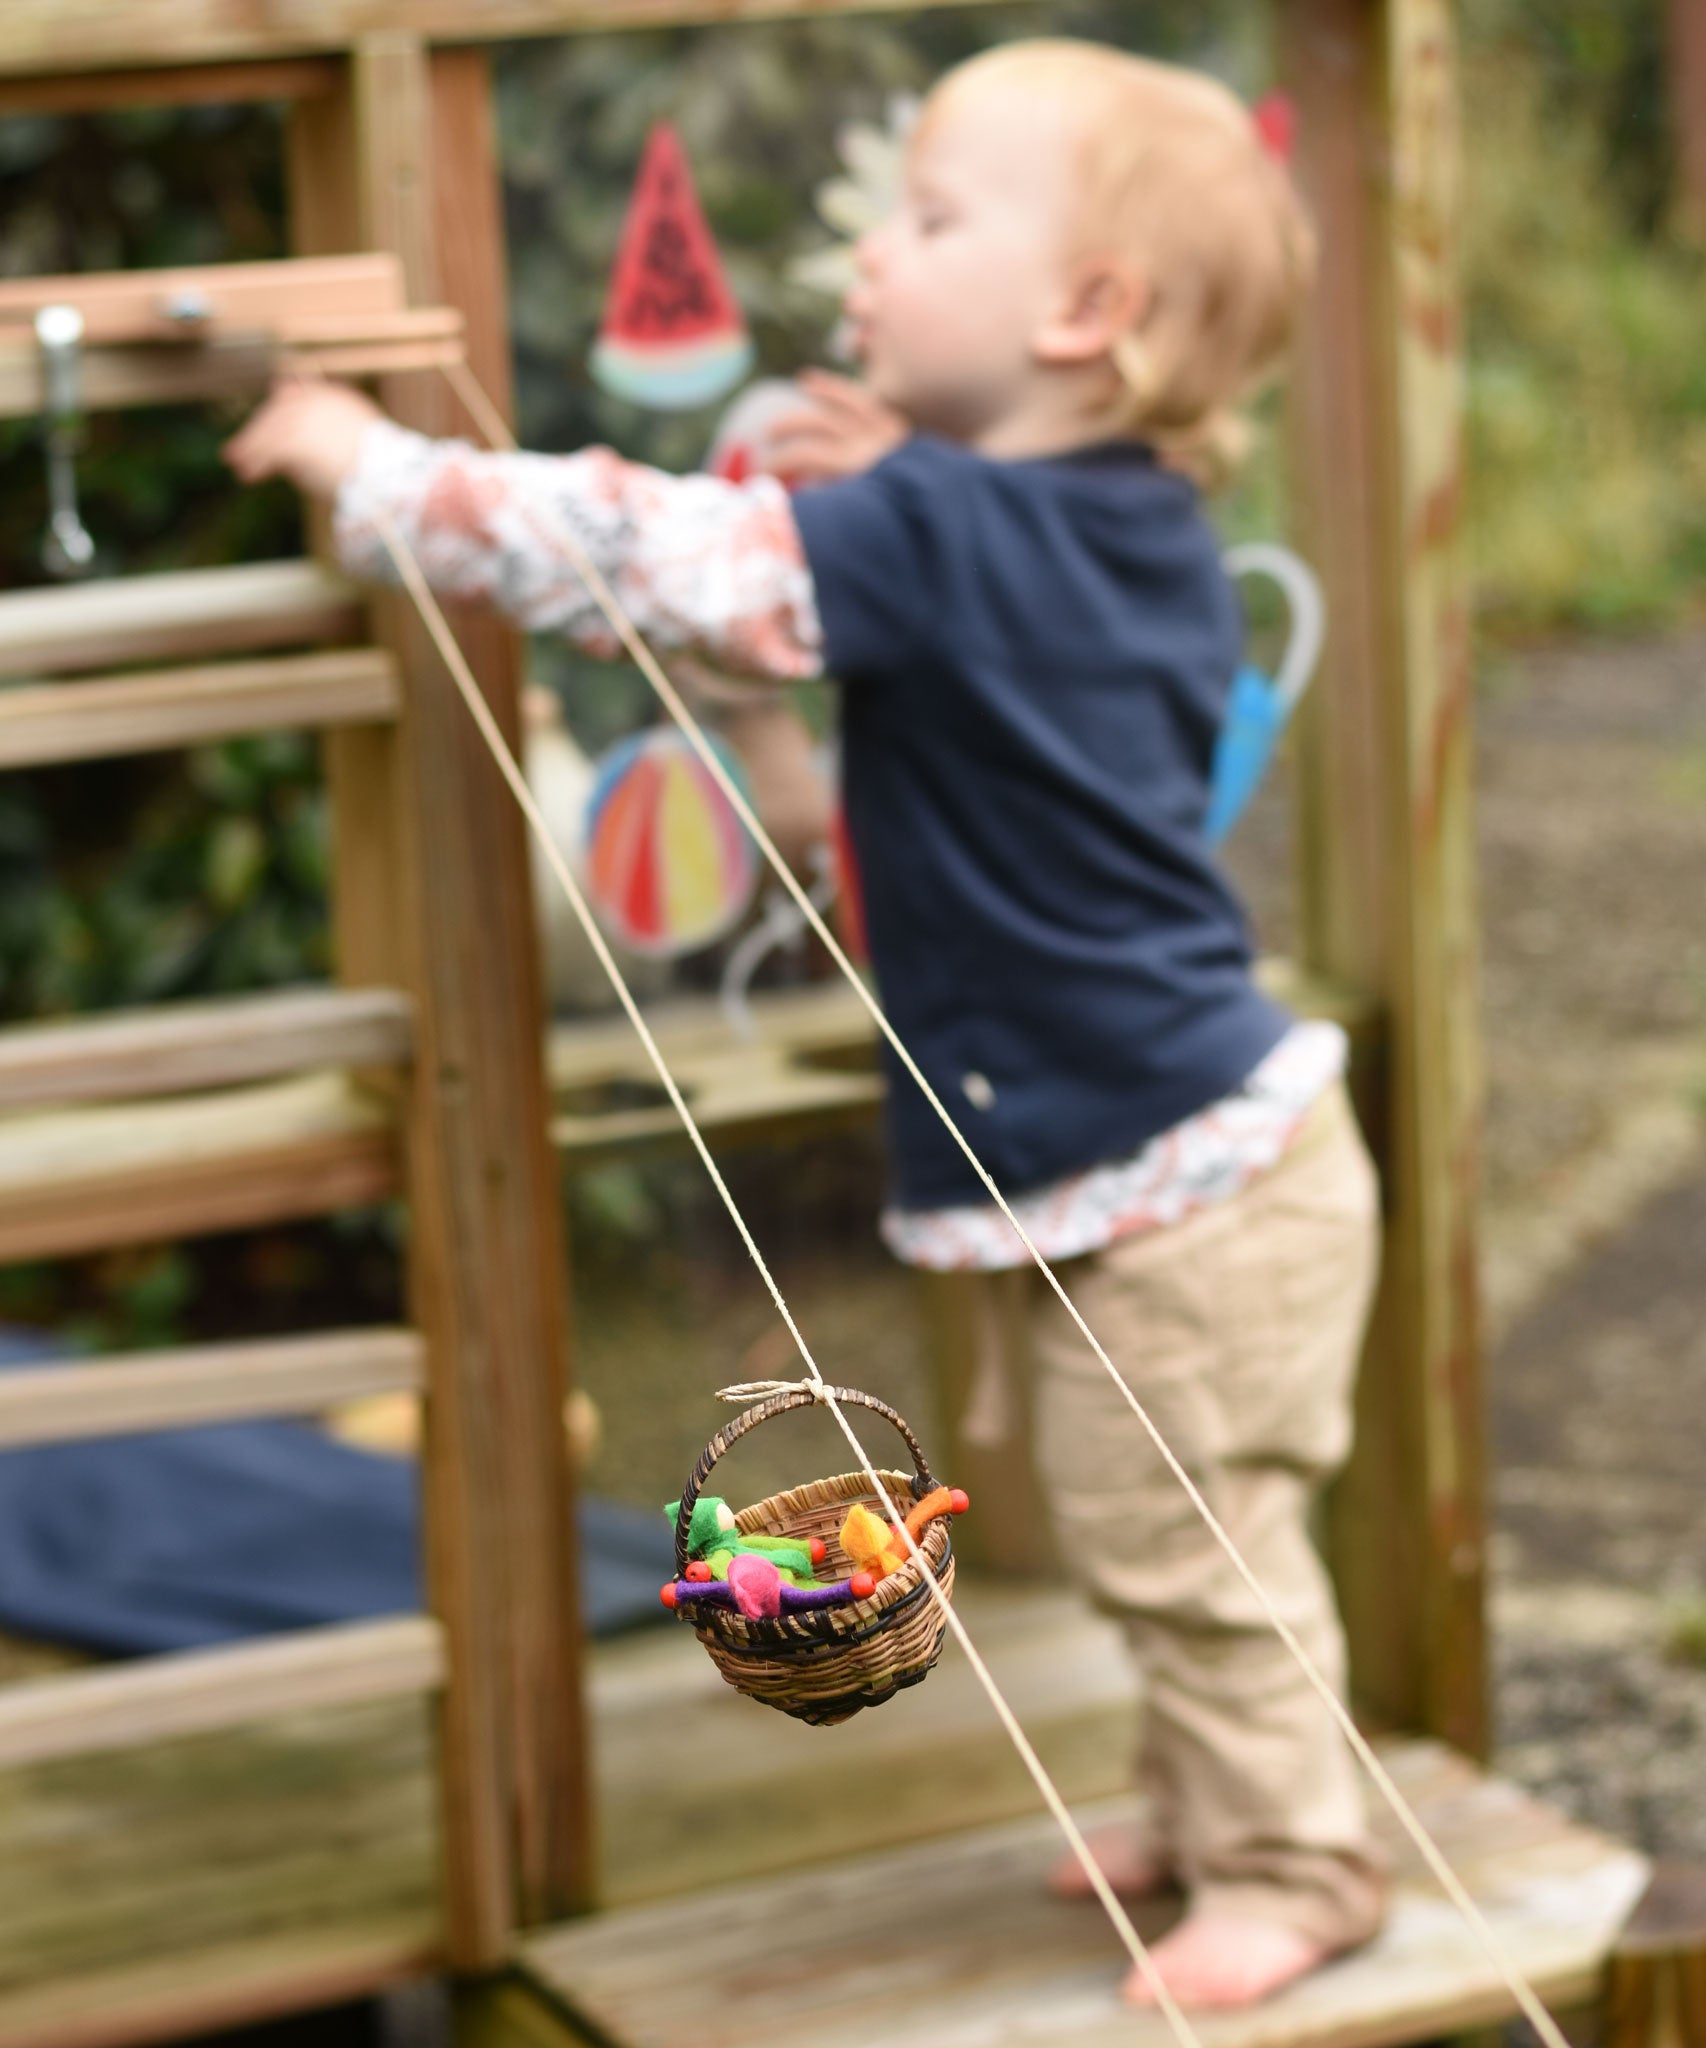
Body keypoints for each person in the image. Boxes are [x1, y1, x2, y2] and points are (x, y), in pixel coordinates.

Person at [226, 39, 1384, 2006]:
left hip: (1184, 1192)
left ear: (1086, 312)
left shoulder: (949, 545)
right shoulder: (1103, 532)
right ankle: (1211, 1806)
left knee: (1185, 1544)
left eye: (928, 221)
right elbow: (922, 708)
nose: (865, 258)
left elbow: (660, 561)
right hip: (1181, 1165)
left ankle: (1303, 1862)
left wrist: (385, 472)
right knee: (1154, 1523)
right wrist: (876, 535)